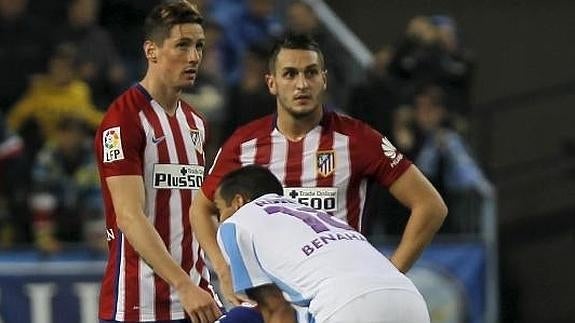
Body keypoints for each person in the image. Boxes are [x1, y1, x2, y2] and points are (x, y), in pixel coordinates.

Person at [190, 34, 447, 309]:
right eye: (290, 74)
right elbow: (200, 209)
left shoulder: (358, 140)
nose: (302, 84)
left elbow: (430, 206)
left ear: (323, 79)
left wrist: (389, 272)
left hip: (338, 301)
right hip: (272, 308)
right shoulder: (244, 144)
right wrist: (223, 270)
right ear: (272, 83)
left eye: (310, 73)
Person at [93, 1, 222, 322]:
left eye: (199, 46)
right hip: (138, 307)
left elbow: (199, 211)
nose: (194, 57)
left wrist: (224, 273)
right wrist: (183, 284)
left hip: (196, 301)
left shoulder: (197, 123)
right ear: (151, 51)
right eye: (182, 45)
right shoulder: (123, 120)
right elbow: (129, 216)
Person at [214, 165, 431, 323]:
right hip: (410, 298)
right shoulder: (322, 216)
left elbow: (276, 309)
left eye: (219, 209)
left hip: (346, 306)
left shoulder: (235, 223)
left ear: (238, 201)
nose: (220, 217)